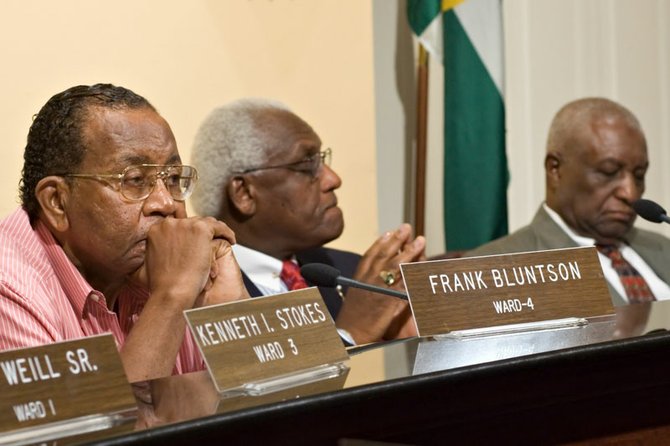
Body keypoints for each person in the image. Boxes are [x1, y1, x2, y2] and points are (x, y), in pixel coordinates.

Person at [0, 84, 248, 382]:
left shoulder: (163, 266)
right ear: (57, 202)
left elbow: (274, 415)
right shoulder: (9, 288)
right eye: (134, 180)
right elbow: (94, 428)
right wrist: (171, 296)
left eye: (172, 178)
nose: (166, 203)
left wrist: (229, 305)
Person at [190, 98, 426, 345]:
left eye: (323, 161)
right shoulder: (202, 293)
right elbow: (275, 382)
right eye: (307, 165)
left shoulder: (351, 273)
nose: (333, 179)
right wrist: (351, 334)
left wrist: (410, 347)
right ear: (245, 194)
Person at [467, 97, 670, 305]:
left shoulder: (663, 247)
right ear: (555, 169)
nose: (630, 193)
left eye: (639, 175)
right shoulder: (492, 271)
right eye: (609, 172)